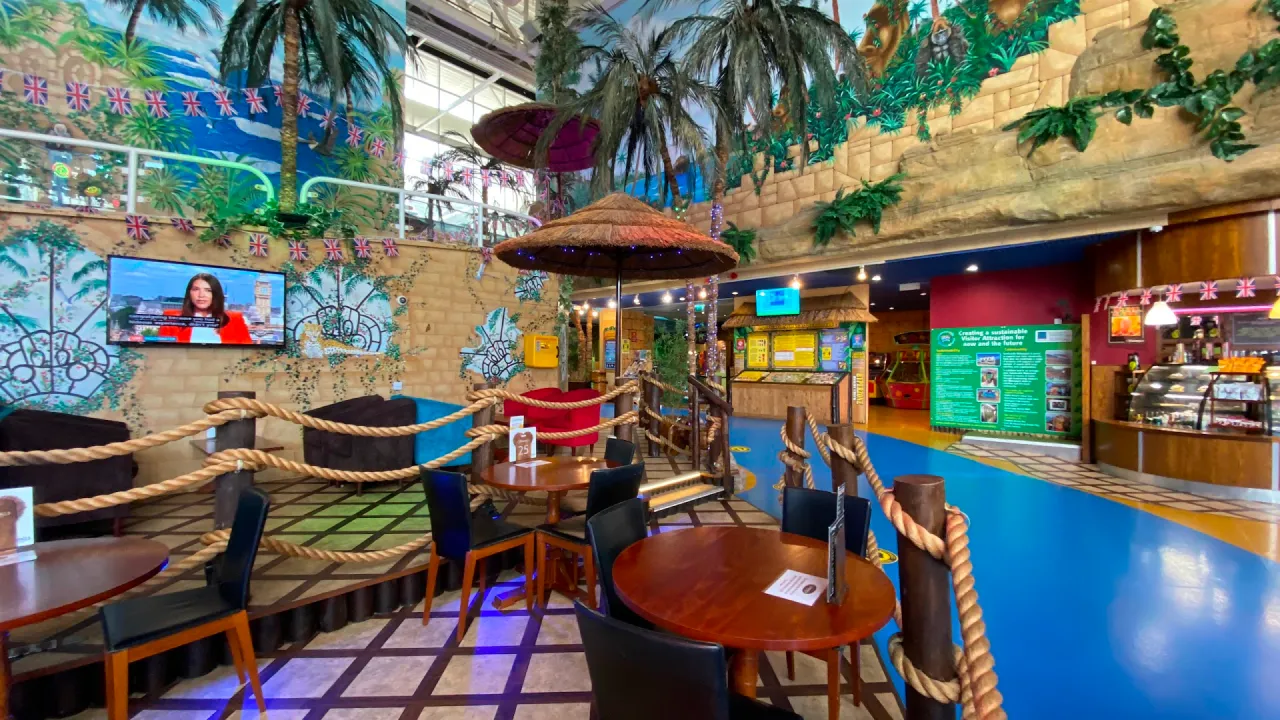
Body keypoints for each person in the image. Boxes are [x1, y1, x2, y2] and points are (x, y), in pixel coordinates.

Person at [159, 273, 252, 344]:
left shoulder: (235, 319)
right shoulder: (171, 317)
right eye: (196, 289)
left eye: (208, 290)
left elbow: (246, 354)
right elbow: (162, 352)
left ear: (216, 294)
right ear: (189, 293)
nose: (201, 295)